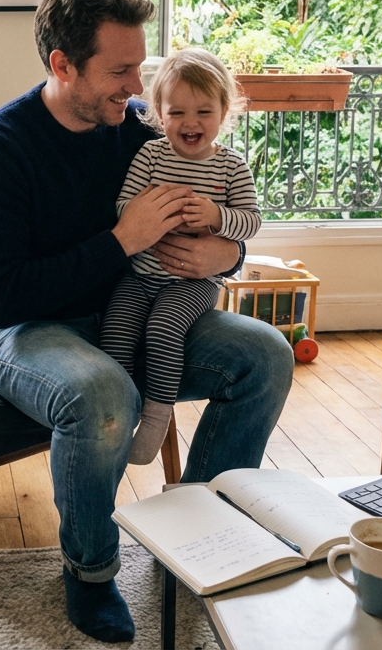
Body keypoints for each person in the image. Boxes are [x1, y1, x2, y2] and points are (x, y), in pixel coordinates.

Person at [0, 0, 293, 643]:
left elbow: (210, 211)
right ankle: (90, 572)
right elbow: (4, 295)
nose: (137, 87)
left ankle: (197, 535)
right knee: (102, 393)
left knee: (266, 355)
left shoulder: (139, 131)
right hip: (22, 331)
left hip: (137, 309)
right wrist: (121, 240)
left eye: (139, 67)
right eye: (119, 71)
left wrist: (225, 255)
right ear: (63, 65)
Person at [102, 48, 262, 466]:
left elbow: (251, 222)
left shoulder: (231, 167)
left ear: (224, 111)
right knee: (115, 331)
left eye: (204, 112)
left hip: (193, 284)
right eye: (177, 113)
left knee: (163, 329)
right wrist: (147, 215)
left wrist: (216, 216)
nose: (191, 123)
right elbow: (122, 205)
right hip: (140, 275)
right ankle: (122, 413)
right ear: (159, 113)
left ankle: (155, 418)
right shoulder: (151, 156)